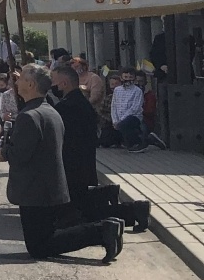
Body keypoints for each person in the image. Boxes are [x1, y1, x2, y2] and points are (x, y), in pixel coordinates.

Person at [0, 66, 122, 263]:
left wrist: (2, 153)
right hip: (49, 185)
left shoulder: (29, 116)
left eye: (21, 80)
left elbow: (20, 154)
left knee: (39, 246)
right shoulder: (49, 110)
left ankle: (102, 231)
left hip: (34, 189)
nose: (16, 83)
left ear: (31, 84)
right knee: (45, 238)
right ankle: (103, 229)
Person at [48, 62, 150, 232]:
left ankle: (133, 211)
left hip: (74, 164)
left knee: (81, 210)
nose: (52, 85)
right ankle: (127, 206)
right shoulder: (75, 102)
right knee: (82, 206)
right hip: (79, 162)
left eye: (54, 81)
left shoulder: (69, 106)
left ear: (64, 83)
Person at [110, 68, 146, 152]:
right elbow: (114, 106)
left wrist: (121, 120)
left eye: (130, 77)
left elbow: (135, 108)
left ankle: (139, 142)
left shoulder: (137, 91)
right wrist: (115, 120)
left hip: (134, 117)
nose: (128, 79)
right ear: (121, 77)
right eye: (126, 77)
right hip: (119, 118)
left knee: (125, 124)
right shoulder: (117, 90)